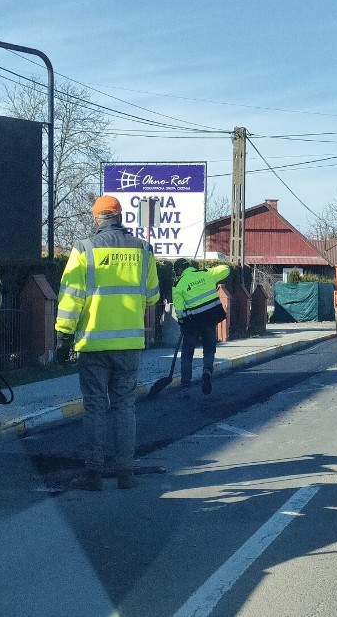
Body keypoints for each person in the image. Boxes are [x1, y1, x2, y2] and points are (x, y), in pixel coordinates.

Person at [55, 195, 160, 491]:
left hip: (93, 344)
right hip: (129, 345)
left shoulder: (84, 249)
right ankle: (126, 473)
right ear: (120, 216)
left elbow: (71, 296)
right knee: (125, 405)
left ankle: (93, 474)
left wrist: (63, 334)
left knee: (96, 407)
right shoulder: (143, 249)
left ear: (96, 218)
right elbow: (152, 295)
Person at [172, 258, 229, 397]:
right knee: (209, 349)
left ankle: (186, 385)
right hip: (210, 320)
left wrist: (181, 322)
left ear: (179, 270)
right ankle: (207, 370)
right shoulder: (206, 273)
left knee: (187, 354)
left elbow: (179, 310)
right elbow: (226, 269)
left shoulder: (178, 285)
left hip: (192, 323)